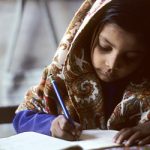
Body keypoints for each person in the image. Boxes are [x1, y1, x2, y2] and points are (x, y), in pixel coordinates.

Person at [13, 0, 150, 146]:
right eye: (105, 47)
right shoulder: (60, 75)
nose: (112, 64)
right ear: (88, 33)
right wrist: (51, 124)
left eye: (130, 58)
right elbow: (21, 119)